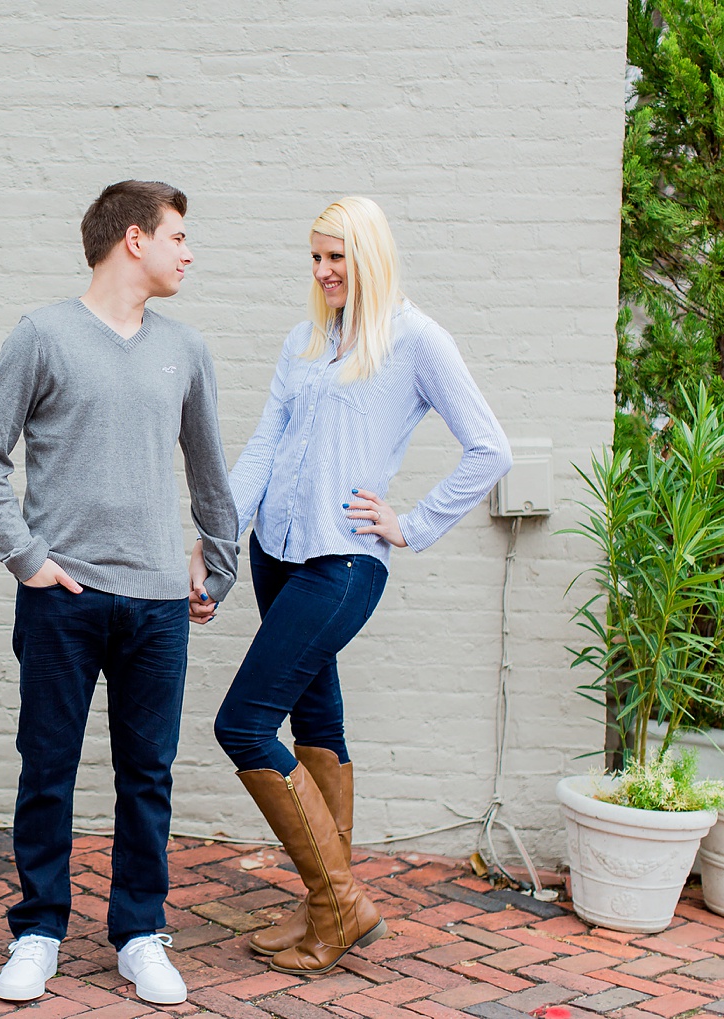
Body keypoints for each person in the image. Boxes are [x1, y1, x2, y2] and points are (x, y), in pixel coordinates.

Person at [196, 196, 510, 976]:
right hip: (277, 553)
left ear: (370, 255)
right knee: (319, 725)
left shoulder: (415, 339)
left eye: (338, 256)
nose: (325, 271)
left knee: (242, 724)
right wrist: (216, 545)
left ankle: (340, 903)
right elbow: (263, 448)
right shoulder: (304, 340)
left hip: (342, 563)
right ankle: (322, 902)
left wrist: (414, 521)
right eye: (315, 258)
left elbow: (488, 447)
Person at [0, 180, 240, 1005]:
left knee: (146, 772)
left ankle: (139, 932)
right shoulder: (42, 336)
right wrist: (24, 556)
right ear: (133, 239)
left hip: (158, 602)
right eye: (179, 236)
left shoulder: (184, 349)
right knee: (46, 766)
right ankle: (40, 929)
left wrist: (216, 565)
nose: (188, 253)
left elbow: (209, 469)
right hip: (63, 597)